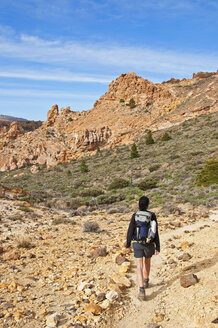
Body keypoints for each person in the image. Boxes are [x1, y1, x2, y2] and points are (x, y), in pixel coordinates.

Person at [126, 196, 160, 301]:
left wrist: (127, 244)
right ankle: (146, 280)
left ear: (139, 205)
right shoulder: (152, 215)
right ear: (147, 205)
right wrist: (157, 246)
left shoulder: (135, 215)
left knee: (139, 266)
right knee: (148, 262)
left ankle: (141, 289)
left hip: (137, 243)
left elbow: (130, 230)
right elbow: (155, 232)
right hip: (149, 244)